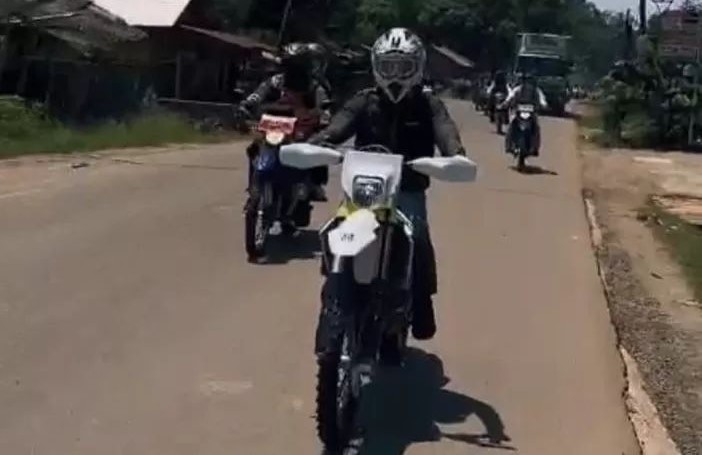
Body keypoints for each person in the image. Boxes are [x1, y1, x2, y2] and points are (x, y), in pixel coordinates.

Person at [307, 28, 470, 357]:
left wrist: (455, 155)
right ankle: (336, 293)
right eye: (388, 66)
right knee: (336, 233)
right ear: (376, 65)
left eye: (402, 66)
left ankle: (422, 305)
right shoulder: (364, 100)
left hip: (407, 189)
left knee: (418, 239)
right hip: (364, 191)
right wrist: (318, 143)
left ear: (417, 67)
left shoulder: (428, 104)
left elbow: (445, 130)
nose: (394, 74)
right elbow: (339, 125)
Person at [239, 42, 331, 201]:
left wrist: (324, 116)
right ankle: (254, 187)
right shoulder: (276, 81)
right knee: (254, 149)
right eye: (290, 65)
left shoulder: (313, 85)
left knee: (317, 147)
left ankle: (314, 184)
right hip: (273, 126)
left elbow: (323, 103)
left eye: (298, 66)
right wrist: (246, 105)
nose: (294, 70)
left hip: (300, 128)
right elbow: (258, 94)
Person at [502, 73, 547, 155]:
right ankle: (508, 146)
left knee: (536, 128)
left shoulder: (536, 91)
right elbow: (510, 97)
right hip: (518, 112)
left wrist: (544, 105)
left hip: (531, 113)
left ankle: (535, 147)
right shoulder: (517, 89)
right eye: (526, 81)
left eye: (530, 81)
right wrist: (506, 103)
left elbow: (542, 99)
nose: (528, 83)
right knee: (511, 126)